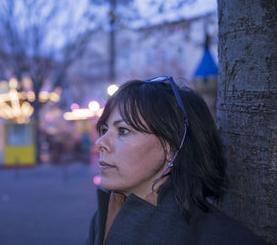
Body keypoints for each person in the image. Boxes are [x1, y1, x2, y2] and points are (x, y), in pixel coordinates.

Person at [86, 77, 268, 245]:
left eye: (123, 131)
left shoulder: (224, 238)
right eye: (104, 130)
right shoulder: (103, 218)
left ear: (173, 147)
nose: (100, 142)